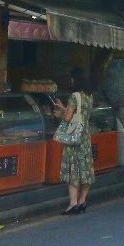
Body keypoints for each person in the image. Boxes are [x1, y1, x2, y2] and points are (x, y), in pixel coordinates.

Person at [51, 67, 95, 215]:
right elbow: (80, 115)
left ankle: (73, 203)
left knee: (73, 170)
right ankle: (82, 201)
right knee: (85, 168)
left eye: (71, 78)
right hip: (85, 136)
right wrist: (64, 108)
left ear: (75, 79)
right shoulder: (89, 96)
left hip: (74, 138)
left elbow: (68, 118)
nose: (70, 80)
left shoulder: (74, 96)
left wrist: (59, 114)